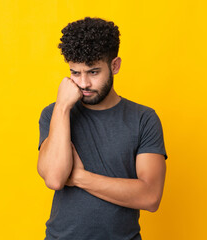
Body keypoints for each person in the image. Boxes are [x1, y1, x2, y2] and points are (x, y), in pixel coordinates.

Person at [37, 17, 168, 240]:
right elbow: (55, 179)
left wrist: (79, 177)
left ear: (114, 66)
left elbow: (150, 197)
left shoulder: (143, 119)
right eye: (75, 73)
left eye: (93, 72)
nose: (84, 84)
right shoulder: (55, 114)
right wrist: (62, 108)